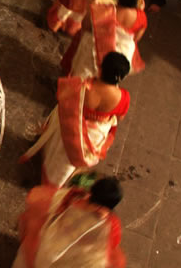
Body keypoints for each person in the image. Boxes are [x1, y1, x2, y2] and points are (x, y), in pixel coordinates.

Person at [20, 52, 131, 188]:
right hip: (94, 137)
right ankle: (57, 183)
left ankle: (45, 165)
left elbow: (62, 97)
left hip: (71, 126)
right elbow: (119, 118)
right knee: (68, 162)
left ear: (101, 68)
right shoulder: (124, 98)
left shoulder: (82, 86)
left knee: (58, 151)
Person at [10, 177, 126, 268]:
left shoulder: (74, 198)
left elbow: (47, 207)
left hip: (44, 242)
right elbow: (99, 253)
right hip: (62, 261)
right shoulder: (107, 227)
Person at [61, 0, 146, 78]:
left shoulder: (102, 11)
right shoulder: (142, 17)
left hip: (94, 53)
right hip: (118, 59)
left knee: (83, 77)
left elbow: (86, 26)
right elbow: (136, 38)